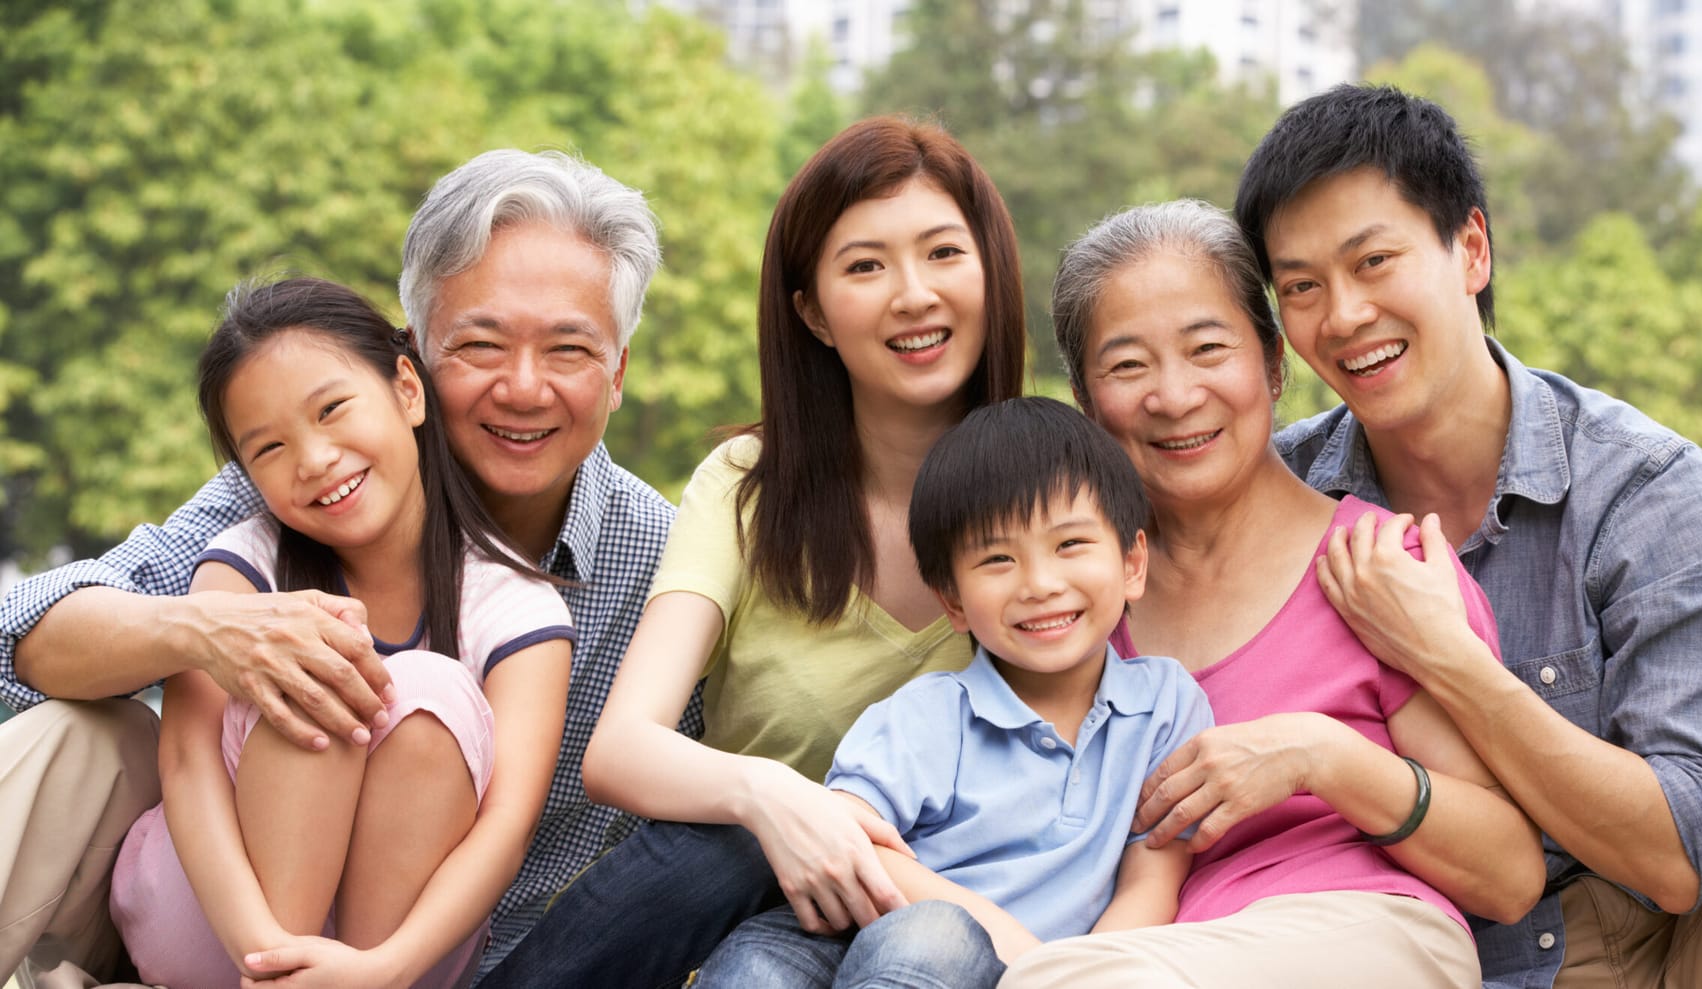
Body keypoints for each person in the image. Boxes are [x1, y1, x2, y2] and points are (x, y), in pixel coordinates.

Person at [1234, 83, 1702, 989]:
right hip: (1437, 961)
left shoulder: (1644, 489)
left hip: (1691, 952)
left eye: (1374, 262)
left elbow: (1685, 854)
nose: (1345, 315)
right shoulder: (1276, 503)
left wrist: (1446, 659)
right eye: (1302, 287)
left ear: (1470, 249)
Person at [0, 148, 685, 983]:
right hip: (210, 917)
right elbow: (21, 640)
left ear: (617, 375)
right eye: (481, 344)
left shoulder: (663, 563)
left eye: (570, 351)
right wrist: (208, 629)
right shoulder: (295, 486)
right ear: (416, 361)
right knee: (77, 729)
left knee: (423, 694)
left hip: (448, 961)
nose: (523, 387)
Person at [477, 116, 1027, 988]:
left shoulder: (1055, 495)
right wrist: (775, 796)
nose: (913, 294)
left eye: (943, 253)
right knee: (732, 851)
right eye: (865, 265)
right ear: (811, 310)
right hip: (729, 905)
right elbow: (620, 748)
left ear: (993, 273)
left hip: (950, 933)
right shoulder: (747, 487)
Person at [999, 199, 1543, 988]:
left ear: (1273, 363)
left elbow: (1509, 873)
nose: (1175, 395)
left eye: (1207, 348)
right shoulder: (1071, 610)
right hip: (1153, 953)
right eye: (1127, 366)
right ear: (1087, 401)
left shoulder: (1380, 569)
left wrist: (1321, 758)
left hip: (1367, 931)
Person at [108, 277, 575, 988]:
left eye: (331, 409)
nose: (315, 458)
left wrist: (383, 968)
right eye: (269, 449)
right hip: (215, 917)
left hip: (397, 955)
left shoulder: (514, 604)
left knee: (426, 691)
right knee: (313, 653)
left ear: (407, 392)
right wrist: (263, 950)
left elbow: (506, 828)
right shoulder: (245, 561)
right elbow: (187, 762)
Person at [697, 396, 1213, 987]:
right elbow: (852, 839)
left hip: (1026, 973)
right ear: (952, 601)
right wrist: (1015, 945)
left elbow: (1153, 875)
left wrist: (1073, 976)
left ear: (1132, 564)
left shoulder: (1165, 706)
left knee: (939, 942)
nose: (1040, 585)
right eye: (997, 558)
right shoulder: (932, 713)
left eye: (1070, 545)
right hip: (850, 937)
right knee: (781, 968)